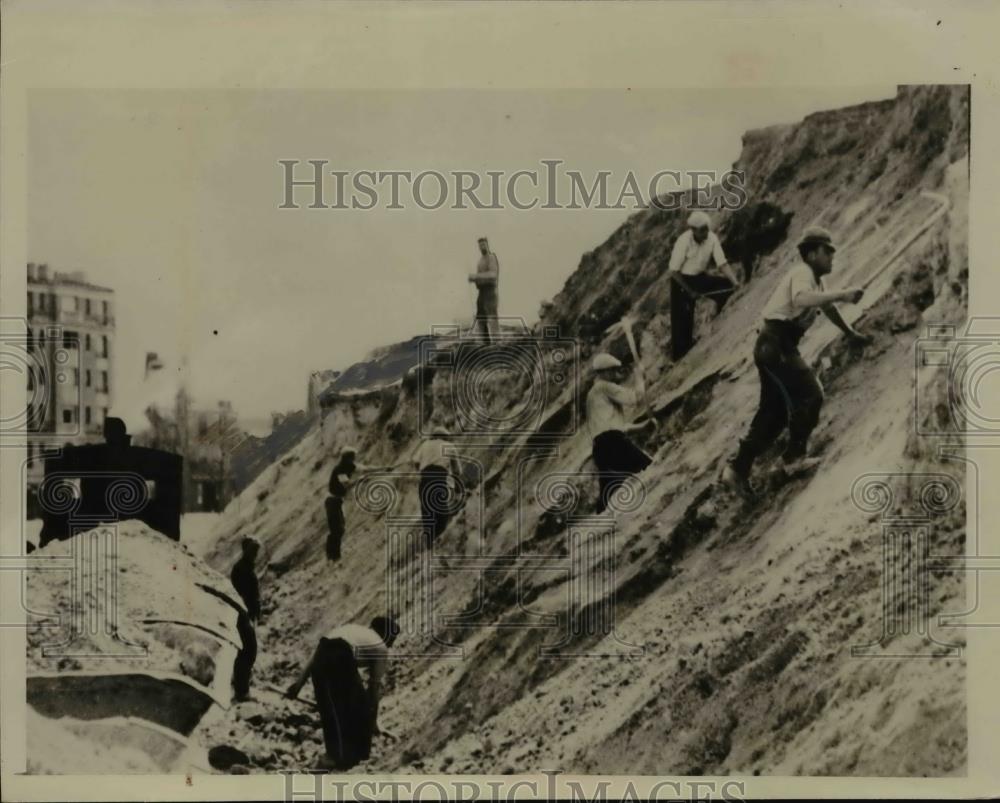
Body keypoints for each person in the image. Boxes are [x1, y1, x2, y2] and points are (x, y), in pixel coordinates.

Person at [722, 226, 873, 497]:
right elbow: (801, 299)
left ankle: (737, 469)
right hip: (775, 344)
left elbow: (827, 308)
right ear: (812, 253)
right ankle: (793, 459)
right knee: (811, 395)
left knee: (774, 413)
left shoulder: (815, 280)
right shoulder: (802, 273)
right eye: (827, 252)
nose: (831, 258)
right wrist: (843, 293)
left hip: (776, 346)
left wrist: (850, 333)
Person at [285, 616, 401, 771]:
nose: (392, 644)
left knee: (330, 709)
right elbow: (374, 689)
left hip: (323, 654)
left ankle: (339, 756)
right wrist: (372, 719)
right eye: (392, 639)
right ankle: (347, 758)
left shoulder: (355, 631)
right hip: (340, 656)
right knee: (354, 709)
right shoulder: (380, 647)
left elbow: (316, 655)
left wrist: (298, 685)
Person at [668, 210, 742, 361]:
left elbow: (722, 263)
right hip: (681, 281)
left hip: (699, 277)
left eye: (707, 228)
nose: (706, 232)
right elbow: (673, 272)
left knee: (726, 286)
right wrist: (689, 291)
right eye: (702, 230)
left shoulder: (712, 238)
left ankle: (721, 317)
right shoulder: (683, 241)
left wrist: (735, 282)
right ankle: (680, 357)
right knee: (682, 321)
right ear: (693, 230)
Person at [586, 352, 655, 513]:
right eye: (612, 371)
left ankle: (597, 529)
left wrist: (642, 426)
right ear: (603, 373)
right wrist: (639, 377)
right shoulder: (604, 386)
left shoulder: (592, 396)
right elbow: (634, 399)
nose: (615, 375)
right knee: (647, 467)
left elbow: (614, 427)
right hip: (613, 443)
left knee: (607, 495)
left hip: (601, 448)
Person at [325, 446, 393, 561]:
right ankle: (332, 556)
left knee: (339, 528)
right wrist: (361, 479)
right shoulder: (340, 469)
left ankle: (334, 556)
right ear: (347, 458)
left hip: (339, 500)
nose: (354, 459)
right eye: (352, 457)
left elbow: (367, 469)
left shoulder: (349, 466)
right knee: (336, 529)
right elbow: (347, 484)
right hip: (332, 500)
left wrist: (384, 468)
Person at [408, 425, 463, 544]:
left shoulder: (425, 444)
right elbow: (457, 471)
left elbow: (415, 462)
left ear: (434, 436)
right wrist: (458, 489)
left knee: (427, 510)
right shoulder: (450, 446)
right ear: (445, 437)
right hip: (438, 479)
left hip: (425, 480)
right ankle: (439, 540)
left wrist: (421, 470)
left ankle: (429, 543)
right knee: (441, 510)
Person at [230, 536, 260, 702]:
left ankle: (240, 687)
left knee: (247, 650)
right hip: (242, 614)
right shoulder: (241, 569)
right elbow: (243, 594)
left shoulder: (246, 567)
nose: (256, 554)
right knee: (248, 650)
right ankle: (241, 691)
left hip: (246, 614)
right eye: (254, 550)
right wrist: (247, 614)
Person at [468, 236, 500, 344]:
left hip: (490, 292)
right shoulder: (480, 261)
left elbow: (493, 275)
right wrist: (475, 280)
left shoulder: (491, 257)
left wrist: (476, 277)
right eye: (480, 245)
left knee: (491, 317)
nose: (482, 246)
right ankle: (484, 345)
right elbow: (479, 281)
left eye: (484, 244)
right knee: (480, 319)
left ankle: (497, 344)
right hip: (481, 292)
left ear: (487, 245)